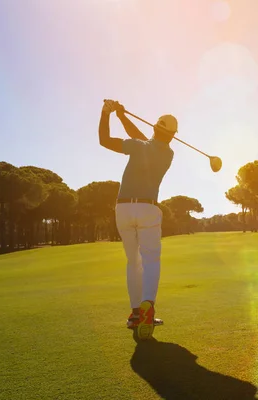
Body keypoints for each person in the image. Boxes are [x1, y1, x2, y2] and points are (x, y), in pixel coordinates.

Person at [98, 99, 176, 340]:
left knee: (133, 262)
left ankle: (135, 314)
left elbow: (104, 140)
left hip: (123, 209)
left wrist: (107, 114)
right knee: (151, 260)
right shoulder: (168, 153)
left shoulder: (137, 146)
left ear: (154, 128)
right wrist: (122, 116)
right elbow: (145, 140)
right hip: (148, 208)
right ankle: (147, 309)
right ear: (172, 136)